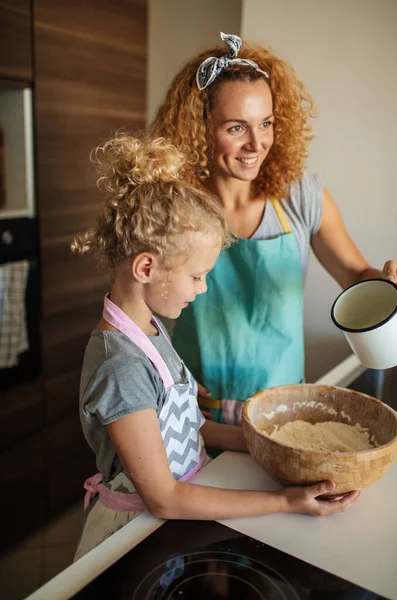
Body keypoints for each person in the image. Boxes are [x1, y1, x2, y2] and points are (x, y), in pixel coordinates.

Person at [71, 133, 359, 559]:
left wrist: (281, 448)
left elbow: (192, 427)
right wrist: (284, 502)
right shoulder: (123, 368)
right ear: (146, 267)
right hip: (134, 537)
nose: (203, 288)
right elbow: (164, 497)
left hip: (178, 514)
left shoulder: (150, 331)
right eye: (195, 276)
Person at [151, 32, 397, 427]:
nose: (256, 144)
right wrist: (161, 367)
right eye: (236, 128)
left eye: (265, 123)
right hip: (197, 417)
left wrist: (387, 284)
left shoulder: (302, 198)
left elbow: (354, 274)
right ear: (199, 126)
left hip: (286, 414)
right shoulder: (170, 205)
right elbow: (134, 304)